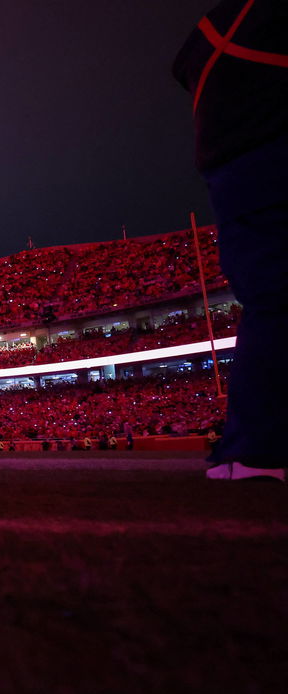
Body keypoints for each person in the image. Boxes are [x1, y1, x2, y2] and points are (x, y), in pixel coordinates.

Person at [174, 0, 288, 482]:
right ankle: (258, 448)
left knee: (274, 298)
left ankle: (257, 448)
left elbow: (186, 65)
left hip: (241, 161)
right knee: (276, 296)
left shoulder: (223, 26)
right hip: (260, 155)